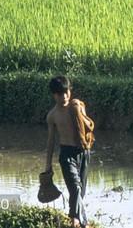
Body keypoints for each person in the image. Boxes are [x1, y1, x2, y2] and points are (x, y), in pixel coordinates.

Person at [43, 75, 94, 228]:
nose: (64, 97)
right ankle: (80, 222)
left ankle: (75, 220)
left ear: (70, 91)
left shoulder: (77, 106)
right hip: (66, 154)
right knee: (75, 187)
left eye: (66, 92)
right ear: (54, 95)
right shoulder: (52, 116)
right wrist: (48, 164)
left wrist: (79, 114)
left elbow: (90, 126)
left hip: (83, 152)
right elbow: (51, 141)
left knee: (80, 191)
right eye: (60, 94)